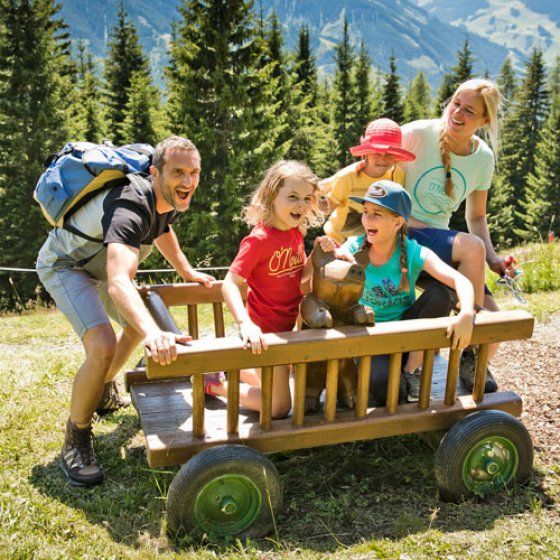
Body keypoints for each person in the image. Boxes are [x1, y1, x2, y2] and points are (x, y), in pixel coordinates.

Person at [36, 135, 215, 486]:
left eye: (194, 173)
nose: (188, 181)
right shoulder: (131, 202)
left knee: (135, 324)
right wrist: (154, 334)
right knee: (102, 345)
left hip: (100, 265)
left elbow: (163, 229)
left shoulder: (164, 198)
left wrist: (187, 271)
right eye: (178, 172)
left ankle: (102, 386)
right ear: (155, 172)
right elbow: (120, 282)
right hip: (67, 265)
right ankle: (77, 436)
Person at [399, 77, 512, 393]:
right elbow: (372, 160)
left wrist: (493, 259)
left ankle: (469, 361)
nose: (458, 114)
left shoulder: (482, 158)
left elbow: (475, 216)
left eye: (470, 111)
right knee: (471, 249)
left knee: (497, 322)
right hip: (405, 237)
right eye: (456, 104)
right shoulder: (417, 134)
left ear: (484, 120)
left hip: (442, 243)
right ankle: (470, 344)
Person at [208, 160, 335, 418]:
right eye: (292, 197)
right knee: (278, 408)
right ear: (270, 197)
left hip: (287, 330)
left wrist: (316, 254)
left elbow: (299, 276)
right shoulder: (259, 239)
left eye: (307, 198)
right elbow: (230, 284)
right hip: (265, 334)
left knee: (277, 383)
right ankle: (216, 385)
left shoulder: (294, 233)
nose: (301, 204)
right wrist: (245, 324)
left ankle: (221, 365)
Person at [336, 180, 475, 405]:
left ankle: (412, 371)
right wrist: (334, 259)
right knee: (390, 393)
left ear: (397, 222)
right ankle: (390, 378)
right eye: (366, 212)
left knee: (441, 294)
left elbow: (460, 280)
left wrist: (467, 312)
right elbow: (329, 268)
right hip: (371, 339)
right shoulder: (353, 247)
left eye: (377, 214)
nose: (367, 219)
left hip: (408, 339)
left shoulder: (412, 251)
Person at [319, 118, 415, 244]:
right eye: (377, 153)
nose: (382, 159)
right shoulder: (347, 177)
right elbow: (327, 209)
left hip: (373, 241)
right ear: (367, 153)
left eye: (389, 154)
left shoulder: (397, 174)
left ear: (396, 156)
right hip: (338, 240)